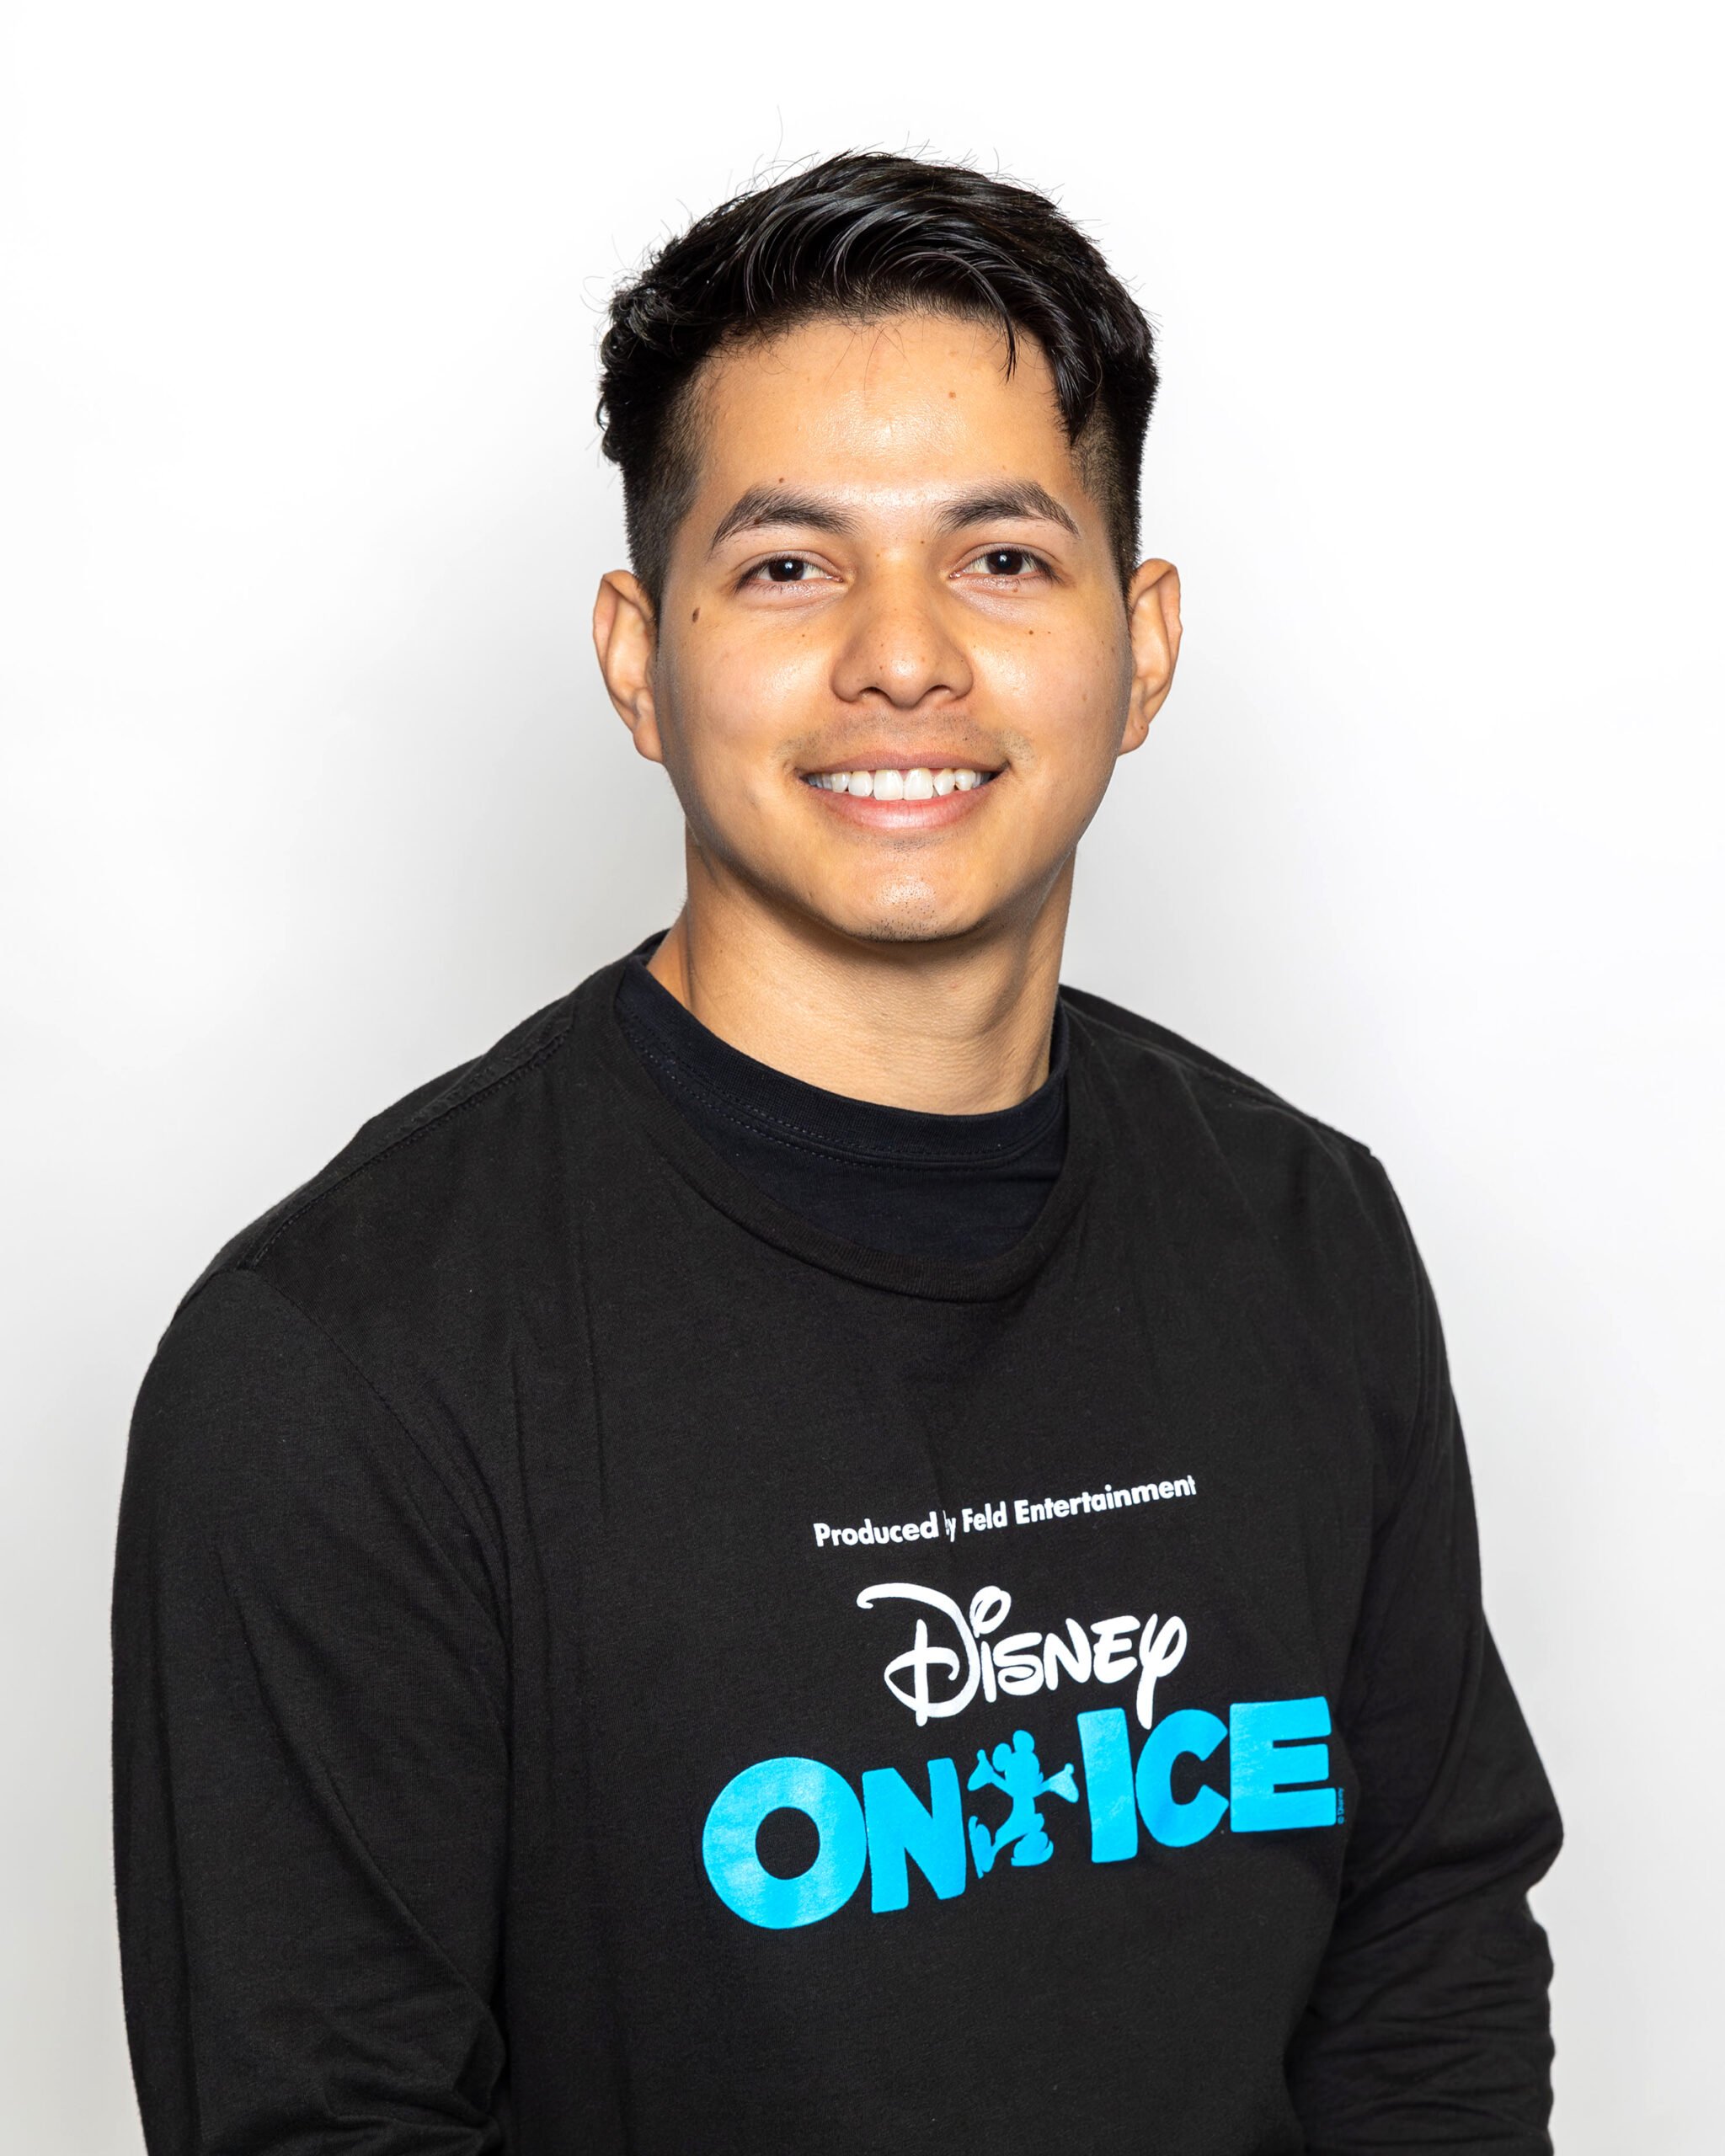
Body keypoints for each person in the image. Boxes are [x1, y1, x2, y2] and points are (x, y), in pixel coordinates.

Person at [112, 151, 1562, 2153]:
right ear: (639, 655)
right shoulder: (342, 1365)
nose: (902, 654)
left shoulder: (1308, 1237)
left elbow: (1428, 1975)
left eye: (1003, 557)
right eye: (790, 565)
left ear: (1142, 644)